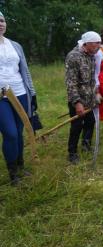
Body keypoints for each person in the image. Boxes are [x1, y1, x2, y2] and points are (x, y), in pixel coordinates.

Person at [0, 11, 37, 184]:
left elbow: (24, 70)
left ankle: (21, 167)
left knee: (20, 132)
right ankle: (13, 173)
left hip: (20, 92)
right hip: (1, 97)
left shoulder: (15, 45)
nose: (0, 23)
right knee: (11, 134)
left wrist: (32, 93)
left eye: (2, 20)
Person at [65, 31, 101, 164]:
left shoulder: (91, 55)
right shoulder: (73, 57)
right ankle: (72, 153)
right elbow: (71, 82)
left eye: (99, 43)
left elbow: (92, 78)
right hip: (78, 99)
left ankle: (86, 145)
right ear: (87, 43)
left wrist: (96, 92)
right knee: (76, 126)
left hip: (90, 98)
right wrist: (77, 102)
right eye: (96, 43)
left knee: (91, 121)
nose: (98, 46)